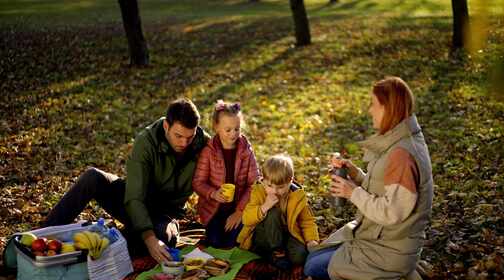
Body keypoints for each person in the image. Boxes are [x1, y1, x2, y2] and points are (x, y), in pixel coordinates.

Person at [304, 76, 433, 280]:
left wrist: (352, 193)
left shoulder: (401, 153)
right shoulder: (400, 140)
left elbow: (392, 212)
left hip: (389, 249)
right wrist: (356, 175)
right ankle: (390, 272)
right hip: (381, 239)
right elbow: (386, 189)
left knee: (311, 266)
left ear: (388, 108)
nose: (370, 110)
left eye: (373, 104)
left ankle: (393, 276)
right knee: (315, 254)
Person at [43, 98, 210, 263]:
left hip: (164, 215)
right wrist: (148, 237)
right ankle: (40, 237)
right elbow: (135, 196)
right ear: (166, 126)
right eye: (178, 136)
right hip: (135, 201)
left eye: (190, 137)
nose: (184, 143)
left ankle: (97, 248)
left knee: (164, 237)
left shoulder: (204, 144)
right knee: (92, 177)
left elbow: (227, 168)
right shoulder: (146, 141)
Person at [192, 100, 260, 248]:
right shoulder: (209, 152)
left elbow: (254, 183)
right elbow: (198, 182)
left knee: (233, 242)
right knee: (215, 243)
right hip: (214, 211)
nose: (233, 134)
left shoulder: (246, 151)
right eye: (228, 130)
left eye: (237, 129)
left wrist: (239, 212)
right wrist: (213, 193)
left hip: (239, 208)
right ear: (216, 127)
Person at [237, 154, 320, 270]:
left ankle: (271, 256)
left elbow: (307, 221)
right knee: (273, 213)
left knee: (300, 256)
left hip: (286, 234)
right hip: (262, 235)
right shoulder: (258, 191)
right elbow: (246, 219)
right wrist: (265, 206)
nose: (274, 191)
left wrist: (311, 240)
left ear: (290, 181)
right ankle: (275, 253)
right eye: (269, 186)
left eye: (280, 187)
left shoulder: (297, 196)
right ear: (263, 180)